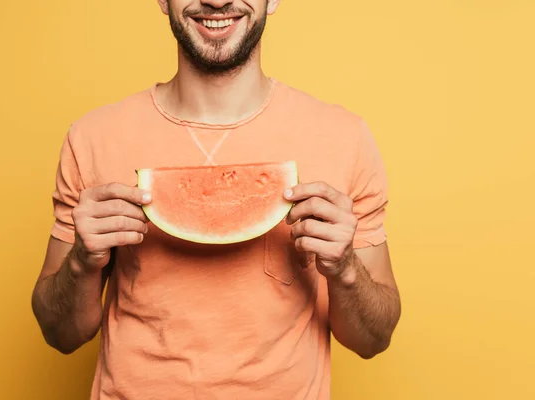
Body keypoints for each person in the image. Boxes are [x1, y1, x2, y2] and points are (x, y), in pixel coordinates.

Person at [31, 0, 402, 399]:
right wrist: (82, 262)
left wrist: (345, 268)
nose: (217, 1)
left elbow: (373, 340)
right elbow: (60, 334)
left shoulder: (343, 138)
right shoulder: (93, 138)